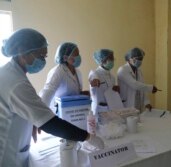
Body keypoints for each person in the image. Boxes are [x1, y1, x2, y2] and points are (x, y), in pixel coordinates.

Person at [0, 28, 104, 167]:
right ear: (22, 52)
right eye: (40, 55)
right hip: (8, 154)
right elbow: (50, 117)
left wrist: (35, 119)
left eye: (45, 56)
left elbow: (26, 106)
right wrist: (88, 137)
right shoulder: (17, 83)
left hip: (22, 139)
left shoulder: (12, 73)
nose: (43, 60)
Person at [39, 42, 89, 113]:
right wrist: (42, 116)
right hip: (60, 112)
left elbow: (72, 92)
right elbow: (47, 94)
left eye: (78, 54)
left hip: (75, 112)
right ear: (65, 57)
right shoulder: (58, 71)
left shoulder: (78, 72)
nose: (78, 57)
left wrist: (81, 94)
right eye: (76, 55)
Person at [117, 47, 159, 112]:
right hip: (127, 104)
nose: (140, 61)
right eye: (138, 59)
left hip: (138, 104)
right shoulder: (122, 70)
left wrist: (147, 102)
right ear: (130, 58)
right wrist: (151, 88)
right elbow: (135, 85)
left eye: (141, 59)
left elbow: (142, 86)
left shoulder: (138, 70)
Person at [88, 49, 119, 115]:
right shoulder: (95, 73)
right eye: (110, 58)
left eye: (113, 58)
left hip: (111, 108)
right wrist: (94, 81)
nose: (112, 60)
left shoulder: (112, 77)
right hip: (99, 109)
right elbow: (93, 79)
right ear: (102, 60)